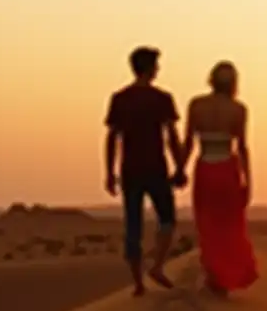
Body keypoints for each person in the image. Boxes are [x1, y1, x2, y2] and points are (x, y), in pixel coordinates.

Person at [104, 46, 182, 296]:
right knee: (167, 219)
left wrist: (109, 171)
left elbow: (111, 138)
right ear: (150, 68)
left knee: (133, 226)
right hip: (155, 168)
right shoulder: (162, 99)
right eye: (156, 65)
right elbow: (172, 136)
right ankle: (157, 266)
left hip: (130, 170)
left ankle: (138, 283)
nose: (158, 69)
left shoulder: (120, 98)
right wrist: (180, 166)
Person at [179, 61, 258, 295]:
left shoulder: (197, 105)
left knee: (208, 224)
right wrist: (248, 180)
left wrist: (180, 169)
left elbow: (188, 142)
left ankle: (215, 276)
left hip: (206, 168)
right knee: (228, 226)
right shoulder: (238, 109)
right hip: (227, 171)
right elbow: (242, 147)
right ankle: (220, 277)